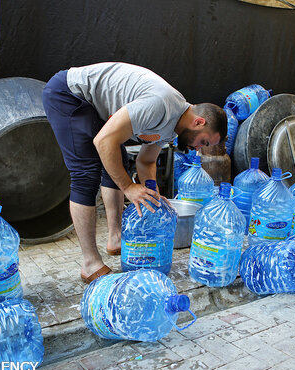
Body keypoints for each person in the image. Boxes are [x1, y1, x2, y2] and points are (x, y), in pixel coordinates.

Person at [42, 62, 227, 283]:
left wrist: (154, 196)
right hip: (70, 93)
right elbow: (104, 141)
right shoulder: (161, 104)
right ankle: (89, 263)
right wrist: (129, 187)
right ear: (198, 122)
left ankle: (116, 238)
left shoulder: (173, 126)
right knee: (86, 173)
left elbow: (146, 161)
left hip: (94, 106)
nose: (199, 148)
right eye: (204, 141)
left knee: (117, 162)